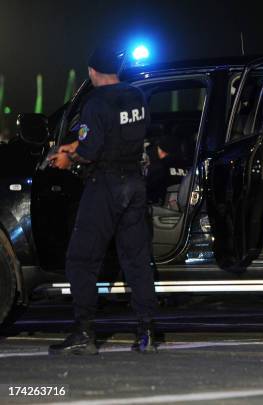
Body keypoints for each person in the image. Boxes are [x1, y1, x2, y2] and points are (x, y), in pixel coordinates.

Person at [48, 46, 158, 355]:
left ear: (93, 71)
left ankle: (84, 332)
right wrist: (75, 145)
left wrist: (69, 159)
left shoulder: (95, 101)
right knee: (136, 260)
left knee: (81, 259)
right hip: (135, 183)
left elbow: (90, 150)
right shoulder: (136, 96)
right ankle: (146, 331)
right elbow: (128, 133)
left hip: (106, 185)